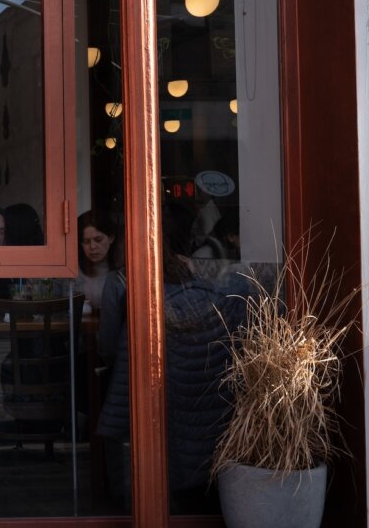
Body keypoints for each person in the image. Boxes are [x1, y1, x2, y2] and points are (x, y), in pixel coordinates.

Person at [95, 203, 253, 510]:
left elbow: (108, 349)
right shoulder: (222, 289)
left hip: (151, 406)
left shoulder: (126, 283)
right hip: (212, 414)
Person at [76, 210, 120, 312]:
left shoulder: (123, 272)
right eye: (86, 241)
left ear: (111, 238)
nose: (92, 246)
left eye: (98, 240)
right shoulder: (73, 272)